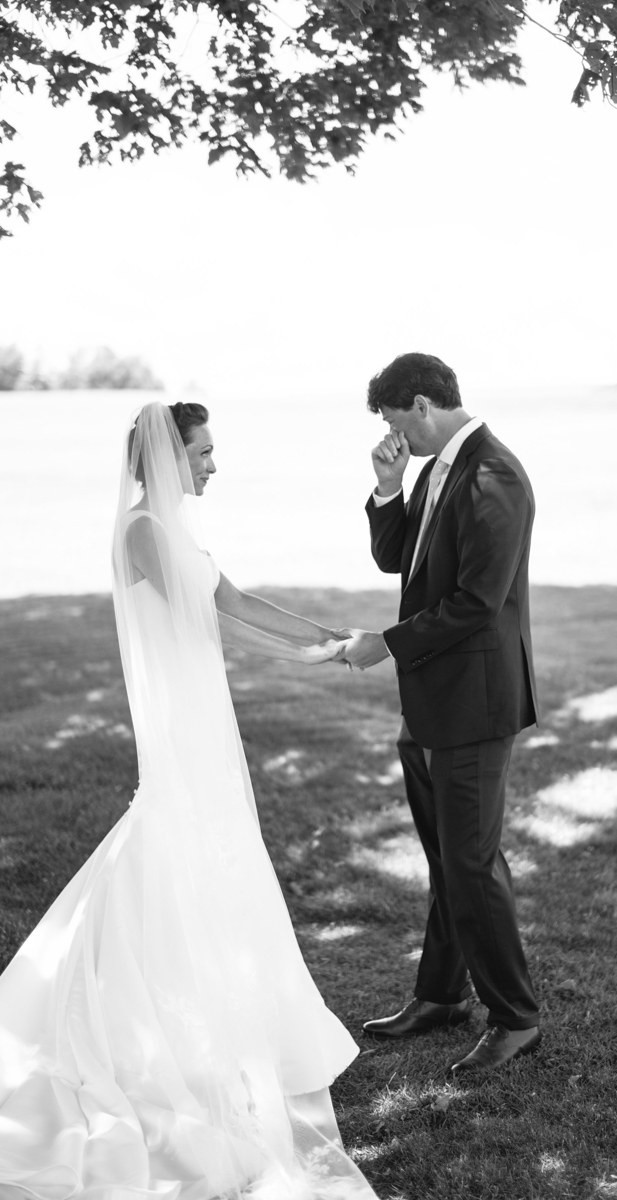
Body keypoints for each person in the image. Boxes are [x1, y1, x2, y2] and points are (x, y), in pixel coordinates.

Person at [0, 402, 378, 1200]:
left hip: (207, 721)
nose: (213, 465)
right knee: (166, 846)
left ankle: (208, 1018)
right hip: (181, 726)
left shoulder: (178, 533)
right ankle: (123, 1018)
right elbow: (209, 622)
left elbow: (238, 602)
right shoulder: (143, 531)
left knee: (206, 857)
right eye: (204, 453)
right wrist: (309, 661)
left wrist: (332, 638)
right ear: (170, 459)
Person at [342, 353, 541, 1077]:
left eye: (397, 423)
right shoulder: (433, 471)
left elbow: (476, 603)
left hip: (474, 705)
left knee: (470, 860)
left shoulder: (494, 474)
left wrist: (384, 646)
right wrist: (388, 488)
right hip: (430, 703)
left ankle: (516, 1018)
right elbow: (400, 560)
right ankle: (440, 995)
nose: (396, 436)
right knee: (445, 858)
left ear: (422, 404)